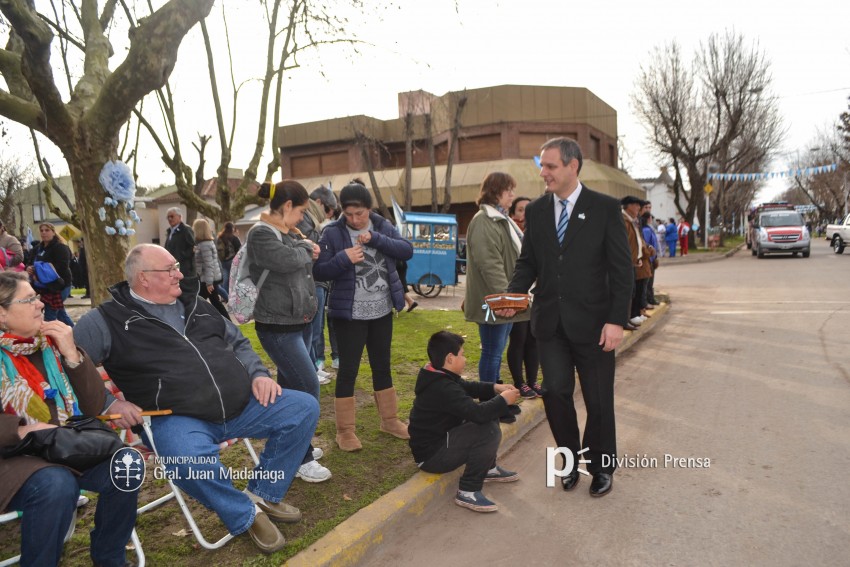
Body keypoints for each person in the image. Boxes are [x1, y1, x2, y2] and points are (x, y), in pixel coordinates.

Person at [73, 244, 319, 554]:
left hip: (241, 403)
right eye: (170, 269)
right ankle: (244, 513)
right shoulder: (106, 320)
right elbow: (71, 364)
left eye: (177, 266)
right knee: (185, 461)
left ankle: (263, 493)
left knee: (303, 408)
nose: (180, 273)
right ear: (144, 278)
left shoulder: (196, 302)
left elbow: (238, 341)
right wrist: (110, 404)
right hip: (178, 417)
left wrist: (258, 374)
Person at [504, 137, 632, 497]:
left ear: (573, 166)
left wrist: (616, 320)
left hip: (595, 325)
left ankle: (602, 467)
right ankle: (570, 460)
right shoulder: (539, 211)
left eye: (550, 166)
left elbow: (621, 271)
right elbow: (528, 261)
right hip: (550, 324)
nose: (543, 173)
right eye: (541, 166)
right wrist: (512, 295)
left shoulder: (605, 208)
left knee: (598, 400)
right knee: (556, 392)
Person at [0, 272, 137, 566]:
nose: (40, 305)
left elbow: (93, 405)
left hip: (62, 446)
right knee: (56, 483)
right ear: (2, 313)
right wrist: (22, 429)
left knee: (127, 463)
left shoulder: (49, 344)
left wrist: (72, 354)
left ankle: (109, 555)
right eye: (29, 299)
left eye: (38, 297)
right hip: (12, 458)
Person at [313, 180, 413, 451]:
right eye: (349, 214)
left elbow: (407, 250)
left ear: (369, 209)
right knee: (348, 370)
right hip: (349, 315)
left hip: (381, 311)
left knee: (382, 366)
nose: (355, 220)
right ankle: (345, 431)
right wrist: (344, 258)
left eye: (360, 214)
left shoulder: (381, 225)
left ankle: (390, 420)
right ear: (342, 211)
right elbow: (319, 271)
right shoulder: (332, 233)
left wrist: (378, 240)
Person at [249, 179, 332, 484]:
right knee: (309, 388)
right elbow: (289, 259)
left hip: (296, 323)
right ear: (286, 207)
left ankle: (294, 447)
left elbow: (301, 252)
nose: (302, 219)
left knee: (292, 392)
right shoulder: (261, 234)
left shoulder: (285, 233)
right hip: (278, 328)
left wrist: (302, 246)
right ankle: (301, 457)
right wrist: (305, 248)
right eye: (299, 212)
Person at [408, 331, 521, 513]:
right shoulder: (442, 387)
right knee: (487, 429)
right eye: (462, 354)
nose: (466, 359)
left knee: (489, 416)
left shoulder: (438, 375)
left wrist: (495, 388)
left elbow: (468, 387)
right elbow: (477, 414)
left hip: (441, 442)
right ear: (450, 358)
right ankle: (468, 490)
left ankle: (488, 469)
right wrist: (503, 400)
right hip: (432, 457)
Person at [463, 173, 529, 391]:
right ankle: (489, 401)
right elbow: (490, 264)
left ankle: (495, 395)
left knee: (496, 351)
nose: (513, 194)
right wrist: (506, 299)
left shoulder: (501, 219)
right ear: (495, 191)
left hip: (502, 299)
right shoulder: (484, 221)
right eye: (508, 190)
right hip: (494, 301)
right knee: (492, 351)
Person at [297, 185, 339, 383]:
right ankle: (310, 371)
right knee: (311, 329)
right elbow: (309, 245)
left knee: (314, 328)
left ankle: (313, 366)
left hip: (316, 280)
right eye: (328, 211)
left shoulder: (308, 217)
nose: (328, 216)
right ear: (319, 203)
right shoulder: (306, 217)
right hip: (312, 280)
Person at [506, 196, 541, 399]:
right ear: (513, 214)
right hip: (517, 293)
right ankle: (519, 383)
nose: (524, 214)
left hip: (535, 294)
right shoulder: (511, 232)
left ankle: (532, 380)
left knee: (533, 339)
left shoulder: (535, 232)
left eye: (528, 209)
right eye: (520, 210)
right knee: (518, 338)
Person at [26, 223, 74, 327]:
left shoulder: (61, 247)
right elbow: (29, 262)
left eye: (47, 230)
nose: (44, 233)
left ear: (53, 232)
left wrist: (40, 270)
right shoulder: (37, 248)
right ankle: (77, 336)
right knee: (61, 315)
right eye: (41, 230)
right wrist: (29, 268)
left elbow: (62, 266)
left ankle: (48, 340)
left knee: (50, 316)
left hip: (60, 285)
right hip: (44, 287)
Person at [192, 218, 230, 319]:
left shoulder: (204, 244)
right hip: (208, 279)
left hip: (207, 280)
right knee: (215, 303)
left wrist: (209, 283)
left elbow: (209, 264)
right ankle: (229, 324)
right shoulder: (204, 243)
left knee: (198, 302)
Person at [164, 207, 198, 294]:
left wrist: (180, 257)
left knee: (186, 294)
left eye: (172, 216)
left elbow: (193, 247)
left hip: (185, 270)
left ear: (179, 217)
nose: (170, 219)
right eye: (168, 217)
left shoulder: (186, 230)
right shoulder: (169, 231)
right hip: (174, 268)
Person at [216, 221, 242, 295]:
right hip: (233, 261)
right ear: (232, 228)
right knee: (233, 279)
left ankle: (225, 295)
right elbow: (240, 250)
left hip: (222, 261)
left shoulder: (220, 237)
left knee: (225, 278)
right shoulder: (234, 238)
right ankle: (232, 295)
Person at [641, 212, 660, 308]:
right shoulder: (646, 230)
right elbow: (648, 245)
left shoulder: (649, 229)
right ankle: (647, 300)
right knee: (647, 282)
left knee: (649, 281)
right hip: (648, 259)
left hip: (651, 258)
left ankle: (650, 299)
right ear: (649, 219)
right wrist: (651, 257)